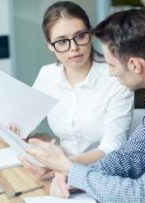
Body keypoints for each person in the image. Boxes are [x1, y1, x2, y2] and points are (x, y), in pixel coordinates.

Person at [26, 8, 145, 202]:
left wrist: (71, 170)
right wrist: (73, 174)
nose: (110, 73)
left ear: (135, 65)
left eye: (111, 65)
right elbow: (130, 156)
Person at [17, 1, 133, 178]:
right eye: (62, 41)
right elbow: (28, 127)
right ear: (49, 45)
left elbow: (112, 148)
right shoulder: (47, 75)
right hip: (58, 171)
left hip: (104, 175)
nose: (74, 48)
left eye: (80, 36)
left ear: (91, 34)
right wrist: (19, 133)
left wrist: (63, 165)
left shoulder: (116, 78)